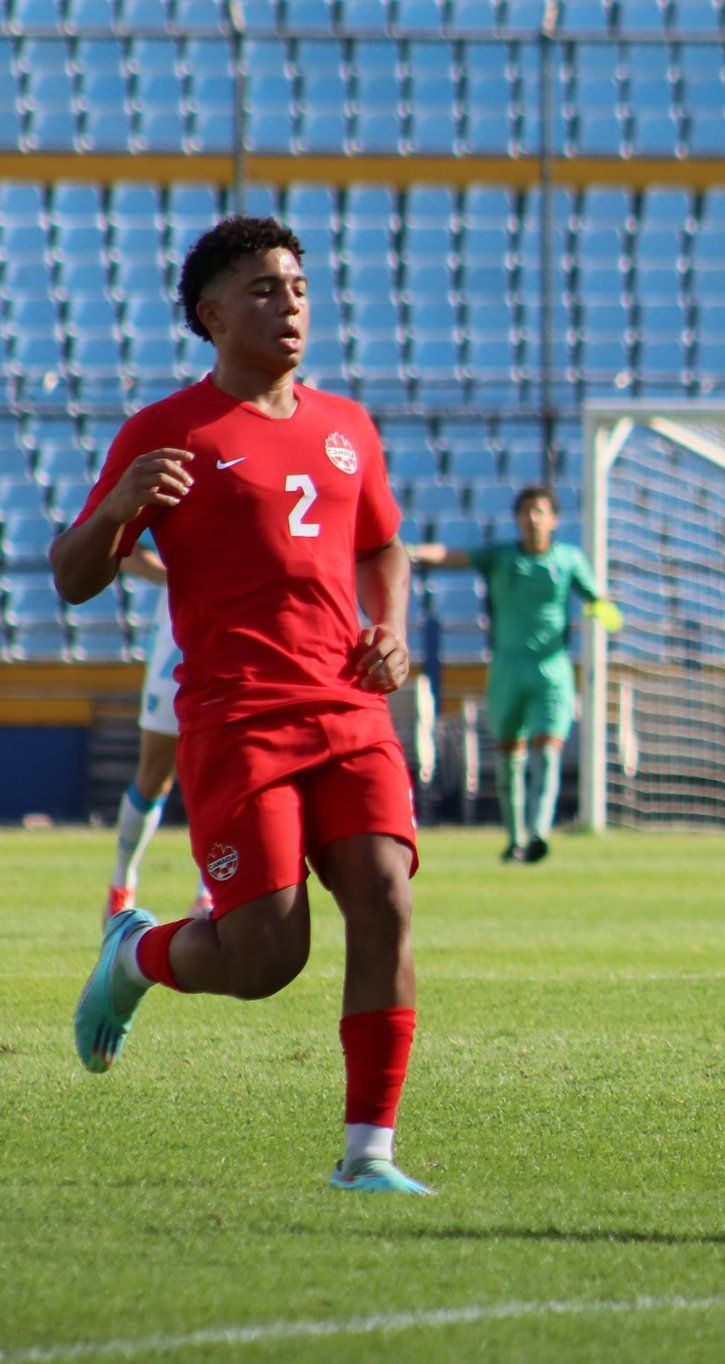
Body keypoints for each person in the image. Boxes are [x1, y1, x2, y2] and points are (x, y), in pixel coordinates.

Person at [50, 215, 432, 1194]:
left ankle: (368, 1156)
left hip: (349, 709)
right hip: (238, 718)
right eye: (264, 289)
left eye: (297, 285)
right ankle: (136, 955)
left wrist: (390, 626)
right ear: (211, 316)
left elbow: (382, 543)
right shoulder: (166, 431)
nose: (289, 302)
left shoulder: (347, 424)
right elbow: (72, 577)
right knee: (267, 955)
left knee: (386, 897)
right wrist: (116, 503)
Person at [410, 486, 619, 864]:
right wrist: (409, 551)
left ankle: (538, 832)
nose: (532, 518)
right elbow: (452, 557)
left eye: (539, 511)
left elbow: (597, 595)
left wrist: (603, 609)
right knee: (510, 753)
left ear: (554, 519)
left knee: (549, 748)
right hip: (507, 666)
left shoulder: (569, 559)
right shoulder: (501, 556)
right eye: (525, 511)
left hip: (552, 668)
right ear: (517, 518)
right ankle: (515, 837)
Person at [105, 543, 213, 920]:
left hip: (245, 633)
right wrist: (180, 578)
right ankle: (122, 879)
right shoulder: (179, 483)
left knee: (226, 772)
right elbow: (125, 551)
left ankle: (210, 891)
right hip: (179, 637)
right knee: (155, 774)